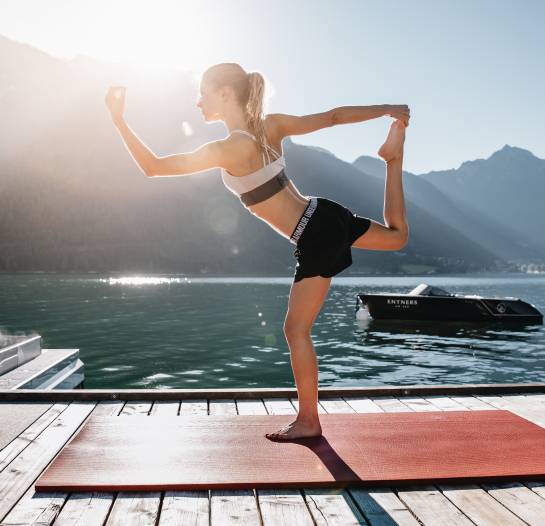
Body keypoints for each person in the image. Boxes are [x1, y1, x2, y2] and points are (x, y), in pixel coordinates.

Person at [105, 62, 410, 441]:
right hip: (323, 213)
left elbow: (153, 168)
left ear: (226, 94)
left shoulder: (227, 148)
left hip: (313, 232)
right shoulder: (271, 126)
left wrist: (119, 122)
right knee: (397, 237)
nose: (197, 101)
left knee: (295, 330)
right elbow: (332, 117)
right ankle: (394, 159)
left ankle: (309, 422)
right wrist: (387, 110)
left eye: (203, 91)